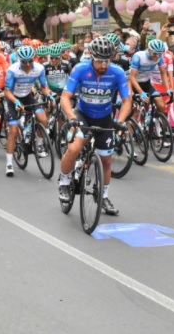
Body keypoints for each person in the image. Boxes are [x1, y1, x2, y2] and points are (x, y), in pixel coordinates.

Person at [56, 37, 130, 216]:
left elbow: (127, 100)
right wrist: (72, 118)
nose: (103, 65)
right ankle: (64, 182)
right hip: (83, 115)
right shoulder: (80, 69)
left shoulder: (117, 72)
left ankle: (103, 197)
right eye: (99, 61)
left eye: (107, 61)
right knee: (74, 148)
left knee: (106, 160)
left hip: (104, 117)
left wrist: (121, 121)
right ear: (92, 57)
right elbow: (65, 97)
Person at [2, 45, 48, 177]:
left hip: (28, 96)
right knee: (14, 130)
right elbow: (7, 91)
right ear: (19, 60)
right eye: (24, 62)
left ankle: (39, 144)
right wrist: (16, 102)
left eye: (30, 61)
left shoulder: (39, 68)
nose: (27, 64)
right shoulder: (13, 70)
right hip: (13, 98)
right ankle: (9, 164)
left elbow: (44, 86)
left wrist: (49, 95)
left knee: (43, 118)